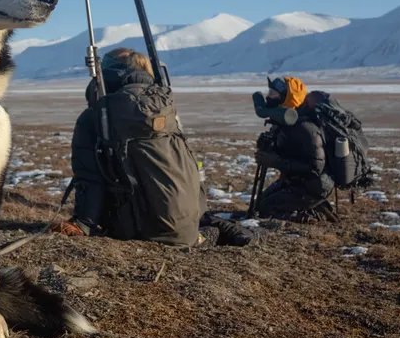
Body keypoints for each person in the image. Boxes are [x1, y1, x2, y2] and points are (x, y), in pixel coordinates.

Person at [54, 47, 255, 247]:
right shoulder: (164, 104)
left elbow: (90, 177)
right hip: (188, 215)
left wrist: (84, 224)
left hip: (140, 229)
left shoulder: (99, 115)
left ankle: (205, 233)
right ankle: (208, 230)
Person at [252, 76, 337, 221]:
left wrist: (276, 161)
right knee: (260, 205)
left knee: (266, 209)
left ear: (287, 97)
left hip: (313, 186)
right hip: (295, 180)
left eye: (273, 93)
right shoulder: (283, 123)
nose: (268, 97)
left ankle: (313, 214)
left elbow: (316, 167)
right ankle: (308, 205)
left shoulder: (306, 128)